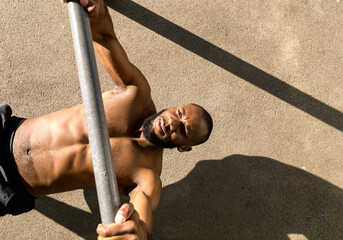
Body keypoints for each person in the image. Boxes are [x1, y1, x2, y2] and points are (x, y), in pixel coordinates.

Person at [0, 0, 213, 239]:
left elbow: (142, 211)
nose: (174, 122)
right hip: (6, 130)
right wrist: (95, 9)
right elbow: (104, 36)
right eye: (180, 113)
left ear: (183, 148)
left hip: (9, 185)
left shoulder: (147, 174)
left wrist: (138, 231)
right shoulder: (136, 93)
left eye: (183, 130)